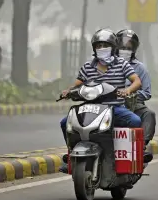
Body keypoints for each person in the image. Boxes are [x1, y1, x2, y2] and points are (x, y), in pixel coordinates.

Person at [58, 28, 142, 173]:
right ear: (94, 48)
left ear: (113, 47)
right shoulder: (87, 67)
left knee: (135, 121)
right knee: (65, 123)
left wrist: (127, 90)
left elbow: (136, 81)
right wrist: (68, 91)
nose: (101, 48)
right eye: (98, 46)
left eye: (105, 45)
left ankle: (133, 157)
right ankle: (72, 158)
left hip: (114, 108)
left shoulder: (121, 64)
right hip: (90, 108)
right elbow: (77, 84)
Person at [116, 29, 155, 164]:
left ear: (134, 49)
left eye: (128, 47)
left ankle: (140, 147)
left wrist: (131, 94)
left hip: (131, 104)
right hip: (107, 102)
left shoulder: (140, 68)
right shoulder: (105, 64)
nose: (124, 50)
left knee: (149, 114)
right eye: (122, 47)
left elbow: (146, 92)